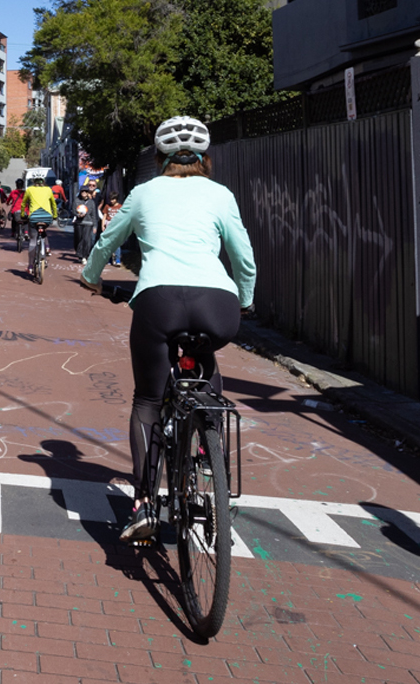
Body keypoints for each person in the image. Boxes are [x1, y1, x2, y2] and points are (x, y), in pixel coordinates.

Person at [80, 116, 256, 543]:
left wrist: (91, 275)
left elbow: (108, 241)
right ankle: (210, 462)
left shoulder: (143, 192)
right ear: (204, 159)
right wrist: (246, 299)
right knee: (207, 371)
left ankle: (143, 502)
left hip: (158, 301)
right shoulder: (220, 194)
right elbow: (242, 253)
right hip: (218, 304)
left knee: (147, 398)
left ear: (159, 159)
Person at [23, 174, 60, 256]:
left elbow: (23, 203)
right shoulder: (48, 190)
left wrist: (23, 214)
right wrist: (55, 216)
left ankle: (30, 266)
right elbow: (53, 204)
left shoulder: (29, 189)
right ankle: (47, 247)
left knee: (33, 239)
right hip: (47, 216)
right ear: (43, 181)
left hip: (33, 217)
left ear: (33, 181)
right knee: (44, 231)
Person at [75, 179, 101, 262]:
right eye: (82, 192)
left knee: (88, 239)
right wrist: (77, 215)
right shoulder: (77, 200)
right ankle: (80, 254)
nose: (84, 193)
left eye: (93, 185)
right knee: (79, 239)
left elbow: (94, 213)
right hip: (79, 222)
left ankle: (86, 255)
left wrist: (95, 225)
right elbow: (73, 209)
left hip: (89, 222)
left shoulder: (94, 200)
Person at [100, 194, 125, 267]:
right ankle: (109, 259)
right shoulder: (107, 206)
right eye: (110, 199)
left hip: (117, 225)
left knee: (116, 243)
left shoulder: (120, 207)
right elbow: (104, 216)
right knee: (108, 243)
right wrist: (102, 225)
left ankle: (117, 260)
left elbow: (123, 217)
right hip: (109, 225)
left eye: (113, 199)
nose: (111, 201)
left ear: (116, 199)